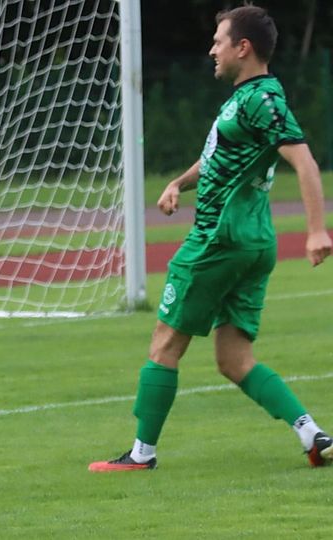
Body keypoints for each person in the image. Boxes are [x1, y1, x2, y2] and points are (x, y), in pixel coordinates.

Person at [89, 5, 333, 472]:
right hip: (252, 242)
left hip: (217, 240)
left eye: (219, 40)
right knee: (234, 358)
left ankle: (141, 454)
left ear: (243, 48)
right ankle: (312, 435)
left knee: (165, 344)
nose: (212, 49)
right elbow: (220, 157)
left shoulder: (261, 100)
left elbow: (304, 162)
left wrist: (317, 230)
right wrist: (179, 183)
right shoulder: (248, 99)